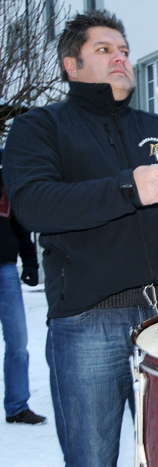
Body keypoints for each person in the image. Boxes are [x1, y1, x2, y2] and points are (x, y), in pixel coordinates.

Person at [1, 11, 158, 466]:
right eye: (104, 50)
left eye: (124, 50)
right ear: (72, 65)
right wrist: (126, 187)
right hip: (87, 322)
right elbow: (32, 204)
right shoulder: (40, 127)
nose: (120, 58)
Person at [0, 150, 46, 426]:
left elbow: (19, 226)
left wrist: (30, 263)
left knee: (18, 343)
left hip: (6, 270)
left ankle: (17, 406)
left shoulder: (5, 181)